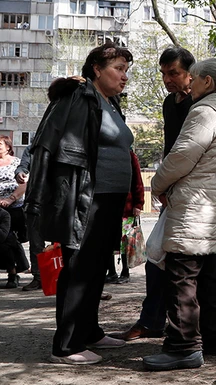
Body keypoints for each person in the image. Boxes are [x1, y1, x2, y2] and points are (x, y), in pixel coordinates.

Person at [25, 42, 136, 364]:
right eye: (118, 68)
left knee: (97, 266)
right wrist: (41, 197)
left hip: (110, 198)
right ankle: (66, 345)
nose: (124, 76)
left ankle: (90, 331)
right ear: (97, 69)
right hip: (85, 196)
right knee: (78, 267)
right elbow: (47, 143)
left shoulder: (110, 102)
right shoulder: (77, 96)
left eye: (126, 70)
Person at [143, 57, 216, 371]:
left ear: (205, 82)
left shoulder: (204, 111)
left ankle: (183, 347)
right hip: (213, 207)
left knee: (182, 279)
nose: (189, 84)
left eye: (194, 78)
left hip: (192, 207)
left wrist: (157, 184)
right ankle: (214, 339)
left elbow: (181, 156)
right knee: (208, 278)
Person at [112, 46, 195, 342]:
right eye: (163, 73)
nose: (167, 79)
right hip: (172, 192)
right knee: (157, 257)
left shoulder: (202, 103)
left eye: (173, 73)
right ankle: (154, 321)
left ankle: (194, 331)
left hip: (195, 195)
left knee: (187, 263)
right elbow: (171, 148)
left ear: (190, 72)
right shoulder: (169, 103)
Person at [0, 135, 30, 287]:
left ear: (8, 147)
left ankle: (14, 272)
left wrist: (10, 199)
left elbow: (23, 183)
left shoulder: (17, 162)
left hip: (15, 207)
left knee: (12, 241)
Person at [106, 151, 145, 284]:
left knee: (125, 242)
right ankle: (111, 272)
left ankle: (125, 272)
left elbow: (137, 180)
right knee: (108, 240)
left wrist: (138, 204)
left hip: (126, 209)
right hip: (107, 207)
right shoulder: (105, 153)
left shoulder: (129, 155)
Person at [15, 146, 47, 291]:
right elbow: (22, 166)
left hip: (59, 200)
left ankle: (59, 277)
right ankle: (38, 277)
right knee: (36, 243)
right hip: (35, 198)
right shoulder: (32, 149)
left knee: (61, 243)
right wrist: (20, 173)